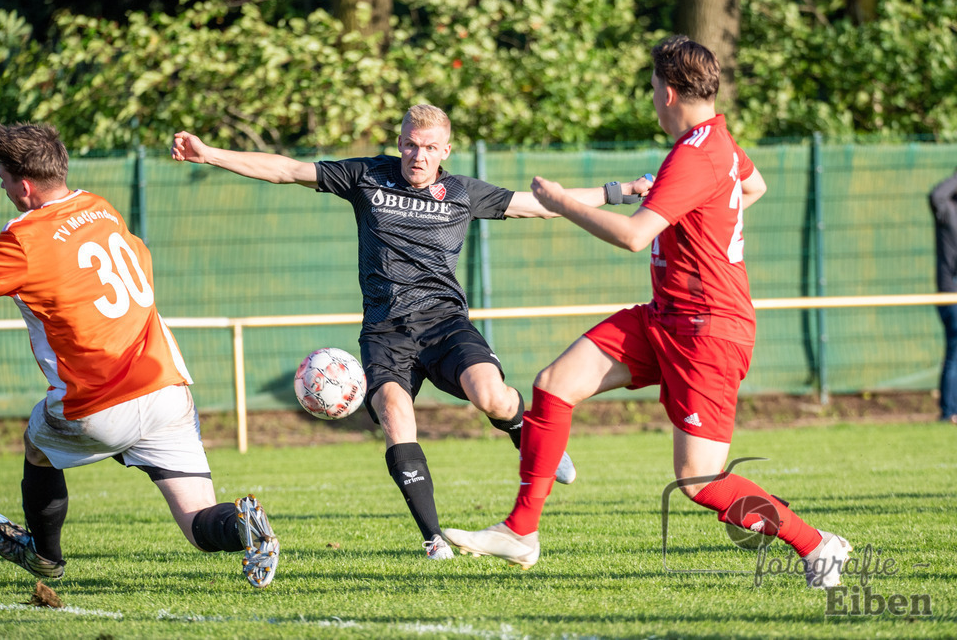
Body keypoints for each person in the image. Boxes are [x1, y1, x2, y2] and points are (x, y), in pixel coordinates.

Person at [443, 36, 853, 589]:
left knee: (698, 480)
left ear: (668, 91)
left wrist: (564, 202)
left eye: (653, 89)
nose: (653, 99)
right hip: (667, 316)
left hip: (708, 330)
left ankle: (818, 545)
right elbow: (753, 186)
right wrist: (700, 219)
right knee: (556, 383)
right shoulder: (717, 143)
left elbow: (636, 235)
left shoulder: (695, 153)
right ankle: (521, 531)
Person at [171, 105, 651, 559]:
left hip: (445, 324)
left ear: (445, 151)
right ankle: (434, 538)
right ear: (399, 144)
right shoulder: (366, 176)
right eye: (410, 145)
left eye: (429, 147)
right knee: (396, 417)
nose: (418, 156)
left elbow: (542, 206)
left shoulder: (463, 192)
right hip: (384, 334)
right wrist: (209, 154)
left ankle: (522, 431)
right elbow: (286, 169)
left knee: (494, 397)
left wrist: (622, 191)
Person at [0, 123, 280, 588]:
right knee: (199, 524)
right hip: (165, 390)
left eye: (3, 174)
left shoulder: (22, 240)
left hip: (96, 404)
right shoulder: (99, 207)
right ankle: (242, 525)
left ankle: (47, 560)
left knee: (38, 447)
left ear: (25, 184)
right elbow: (141, 261)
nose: (1, 182)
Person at [929, 168, 957, 424]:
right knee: (955, 350)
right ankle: (950, 411)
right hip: (951, 292)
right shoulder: (947, 211)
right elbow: (936, 195)